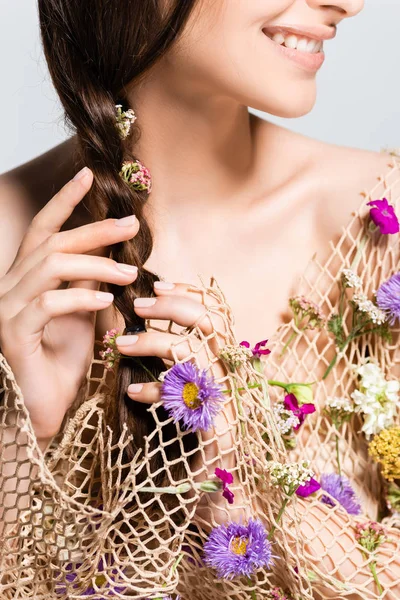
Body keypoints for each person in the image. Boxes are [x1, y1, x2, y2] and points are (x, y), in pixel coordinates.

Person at [0, 1, 399, 598]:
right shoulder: (10, 255)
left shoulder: (378, 232)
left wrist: (243, 493)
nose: (348, 2)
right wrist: (26, 430)